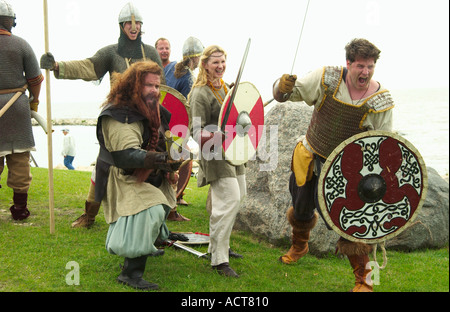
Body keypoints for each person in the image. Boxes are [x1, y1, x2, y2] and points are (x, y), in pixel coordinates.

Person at [272, 38, 394, 292]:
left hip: (346, 170)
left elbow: (383, 144)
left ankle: (365, 281)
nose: (366, 72)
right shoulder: (326, 78)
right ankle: (299, 245)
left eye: (370, 66)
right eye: (360, 65)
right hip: (309, 154)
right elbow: (286, 94)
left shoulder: (380, 101)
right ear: (348, 63)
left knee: (350, 221)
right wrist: (280, 86)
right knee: (301, 207)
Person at [40, 2, 165, 228]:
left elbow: (161, 87)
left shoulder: (151, 53)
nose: (133, 27)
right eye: (129, 22)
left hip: (147, 118)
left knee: (154, 161)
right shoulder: (111, 52)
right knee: (104, 164)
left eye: (137, 23)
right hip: (119, 118)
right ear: (121, 25)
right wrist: (58, 66)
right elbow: (89, 67)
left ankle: (159, 213)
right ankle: (89, 215)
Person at [96, 61, 183, 290]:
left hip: (147, 173)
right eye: (148, 85)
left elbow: (163, 139)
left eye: (157, 85)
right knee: (149, 208)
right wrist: (162, 161)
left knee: (162, 202)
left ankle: (149, 243)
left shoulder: (155, 109)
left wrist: (170, 165)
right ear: (134, 86)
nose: (154, 90)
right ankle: (130, 273)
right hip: (121, 177)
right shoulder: (120, 114)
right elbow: (126, 155)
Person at [189, 45, 246, 278]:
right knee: (228, 200)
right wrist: (215, 135)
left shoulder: (224, 88)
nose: (220, 66)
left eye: (223, 61)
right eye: (215, 62)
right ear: (204, 64)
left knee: (239, 196)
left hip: (233, 151)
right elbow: (195, 131)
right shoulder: (200, 93)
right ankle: (219, 260)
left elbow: (234, 116)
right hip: (214, 154)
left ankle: (219, 245)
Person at [0, 0, 44, 221]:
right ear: (11, 22)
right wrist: (34, 100)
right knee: (19, 159)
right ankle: (19, 210)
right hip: (17, 106)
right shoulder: (22, 44)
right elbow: (35, 79)